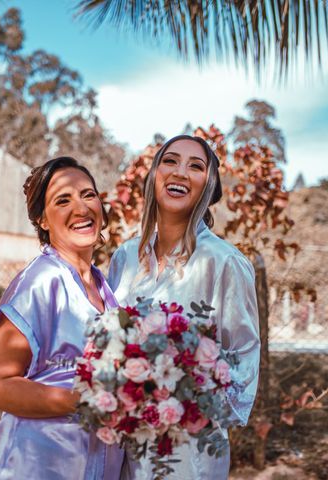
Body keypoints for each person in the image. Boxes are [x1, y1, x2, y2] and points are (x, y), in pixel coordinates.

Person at [108, 135, 260, 479]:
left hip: (188, 451)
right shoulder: (124, 257)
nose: (180, 172)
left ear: (208, 186)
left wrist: (185, 394)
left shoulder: (225, 263)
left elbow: (244, 355)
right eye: (170, 161)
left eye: (196, 166)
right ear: (154, 175)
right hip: (123, 444)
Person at [0, 157, 123, 479]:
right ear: (43, 220)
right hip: (37, 465)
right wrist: (89, 401)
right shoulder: (41, 282)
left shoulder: (104, 286)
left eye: (88, 195)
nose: (82, 208)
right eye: (63, 200)